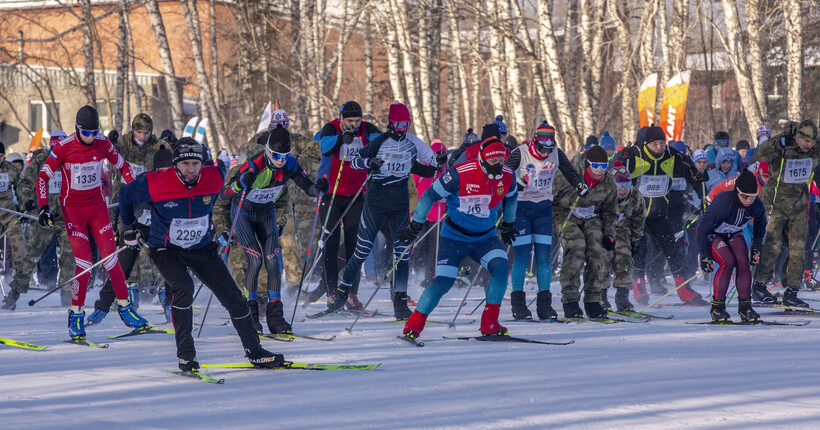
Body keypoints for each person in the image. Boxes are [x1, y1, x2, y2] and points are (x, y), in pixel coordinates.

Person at [118, 138, 284, 370]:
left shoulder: (214, 177)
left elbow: (222, 195)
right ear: (175, 164)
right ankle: (185, 354)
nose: (191, 169)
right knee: (184, 287)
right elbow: (125, 195)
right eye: (185, 164)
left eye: (196, 163)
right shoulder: (155, 182)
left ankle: (255, 351)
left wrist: (215, 224)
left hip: (201, 248)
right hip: (166, 249)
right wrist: (129, 228)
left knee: (234, 297)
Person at [35, 106, 148, 340]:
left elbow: (124, 166)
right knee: (85, 265)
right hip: (73, 211)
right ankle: (76, 314)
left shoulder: (102, 142)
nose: (90, 137)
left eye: (94, 132)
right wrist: (44, 206)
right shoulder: (63, 147)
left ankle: (125, 308)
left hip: (97, 208)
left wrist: (135, 190)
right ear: (77, 129)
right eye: (86, 133)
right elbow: (43, 177)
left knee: (111, 260)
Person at [326, 102, 446, 319]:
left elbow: (432, 161)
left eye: (406, 124)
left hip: (399, 204)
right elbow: (354, 162)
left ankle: (400, 302)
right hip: (376, 201)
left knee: (401, 254)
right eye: (398, 123)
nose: (402, 128)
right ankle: (340, 297)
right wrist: (369, 162)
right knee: (362, 250)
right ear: (391, 123)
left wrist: (440, 162)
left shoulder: (413, 143)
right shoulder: (379, 141)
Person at [398, 138, 517, 339]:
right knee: (444, 281)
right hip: (454, 237)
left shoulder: (507, 175)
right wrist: (416, 223)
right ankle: (414, 325)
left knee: (501, 267)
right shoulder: (460, 173)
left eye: (501, 159)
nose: (498, 164)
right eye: (493, 160)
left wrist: (509, 223)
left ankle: (490, 323)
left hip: (485, 237)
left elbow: (512, 197)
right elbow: (429, 196)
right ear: (483, 159)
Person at [220, 126, 323, 334]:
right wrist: (241, 183)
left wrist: (318, 188)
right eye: (276, 155)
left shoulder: (290, 163)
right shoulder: (254, 164)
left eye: (285, 156)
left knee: (274, 262)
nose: (281, 160)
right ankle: (250, 314)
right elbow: (225, 194)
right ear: (268, 151)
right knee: (256, 260)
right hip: (244, 214)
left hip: (266, 212)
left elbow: (307, 185)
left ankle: (275, 316)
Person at [617, 125, 709, 305]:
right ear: (645, 144)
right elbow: (615, 172)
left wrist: (700, 187)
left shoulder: (671, 155)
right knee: (640, 250)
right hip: (636, 215)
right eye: (654, 144)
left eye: (662, 143)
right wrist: (620, 161)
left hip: (658, 214)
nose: (659, 147)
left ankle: (684, 290)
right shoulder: (634, 155)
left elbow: (691, 172)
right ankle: (639, 287)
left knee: (673, 249)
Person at [504, 122, 586, 320]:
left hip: (543, 209)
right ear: (534, 141)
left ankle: (544, 305)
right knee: (522, 257)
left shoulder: (556, 153)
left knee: (544, 258)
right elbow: (503, 175)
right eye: (542, 147)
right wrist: (515, 183)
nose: (545, 151)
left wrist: (580, 185)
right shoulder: (520, 152)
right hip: (521, 209)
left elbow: (570, 172)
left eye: (549, 147)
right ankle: (519, 305)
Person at [87, 146, 174, 325]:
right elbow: (120, 198)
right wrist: (120, 229)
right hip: (138, 227)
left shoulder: (178, 183)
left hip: (161, 231)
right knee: (122, 268)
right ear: (156, 170)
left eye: (170, 171)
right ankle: (102, 307)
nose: (166, 175)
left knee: (172, 266)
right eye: (162, 171)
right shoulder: (144, 181)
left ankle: (170, 306)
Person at [314, 101, 381, 308]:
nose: (353, 125)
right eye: (350, 120)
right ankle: (332, 291)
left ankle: (351, 292)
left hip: (356, 195)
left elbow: (380, 142)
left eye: (357, 120)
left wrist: (375, 156)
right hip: (332, 195)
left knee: (355, 246)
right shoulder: (330, 127)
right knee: (331, 245)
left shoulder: (366, 129)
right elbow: (325, 148)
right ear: (342, 117)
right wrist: (340, 140)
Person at [2, 131, 75, 311]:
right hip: (43, 215)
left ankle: (67, 293)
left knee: (70, 254)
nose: (57, 151)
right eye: (54, 147)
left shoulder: (72, 161)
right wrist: (27, 200)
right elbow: (24, 183)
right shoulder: (40, 161)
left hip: (65, 216)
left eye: (61, 147)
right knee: (31, 255)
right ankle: (14, 294)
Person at [751, 120, 820, 307]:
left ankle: (791, 291)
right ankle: (759, 286)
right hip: (775, 203)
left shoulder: (815, 149)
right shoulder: (784, 146)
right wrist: (779, 140)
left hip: (798, 206)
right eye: (805, 140)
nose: (809, 145)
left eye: (812, 141)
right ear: (796, 137)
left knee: (798, 249)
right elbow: (759, 154)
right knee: (772, 246)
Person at [551, 145, 617, 318]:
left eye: (604, 166)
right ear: (587, 164)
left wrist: (609, 233)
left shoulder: (609, 181)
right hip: (567, 214)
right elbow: (550, 196)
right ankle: (570, 300)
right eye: (596, 166)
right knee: (577, 245)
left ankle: (593, 300)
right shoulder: (570, 175)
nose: (600, 171)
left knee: (596, 248)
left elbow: (611, 211)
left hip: (591, 216)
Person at [698, 170, 766, 322]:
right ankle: (717, 308)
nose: (749, 201)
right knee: (727, 261)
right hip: (713, 233)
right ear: (737, 192)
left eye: (752, 197)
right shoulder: (723, 202)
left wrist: (756, 248)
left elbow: (760, 227)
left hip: (733, 232)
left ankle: (745, 307)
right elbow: (702, 228)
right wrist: (705, 256)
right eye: (745, 197)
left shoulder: (757, 204)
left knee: (743, 262)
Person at [601, 161, 645, 312]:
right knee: (604, 259)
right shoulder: (603, 194)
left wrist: (635, 239)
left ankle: (622, 297)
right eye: (619, 185)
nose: (623, 189)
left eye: (626, 184)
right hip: (603, 230)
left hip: (622, 230)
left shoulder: (634, 196)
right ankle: (600, 296)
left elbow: (639, 218)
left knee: (624, 258)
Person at [0, 141, 27, 310]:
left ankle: (15, 289)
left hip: (9, 215)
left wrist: (25, 205)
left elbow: (21, 189)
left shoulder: (11, 169)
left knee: (19, 245)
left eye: (1, 156)